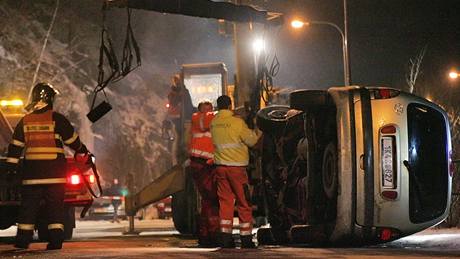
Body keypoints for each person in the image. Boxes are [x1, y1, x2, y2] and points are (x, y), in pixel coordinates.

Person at [6, 82, 91, 250]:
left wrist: (11, 169)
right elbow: (73, 141)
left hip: (32, 176)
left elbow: (15, 147)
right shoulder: (57, 119)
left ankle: (23, 240)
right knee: (55, 209)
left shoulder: (26, 121)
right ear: (50, 99)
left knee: (28, 209)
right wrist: (83, 150)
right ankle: (56, 240)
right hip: (55, 176)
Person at [210, 95, 261, 248]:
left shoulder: (214, 123)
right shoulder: (237, 123)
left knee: (225, 203)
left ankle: (226, 238)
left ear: (218, 106)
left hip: (220, 168)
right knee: (244, 202)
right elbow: (252, 141)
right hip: (237, 168)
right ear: (230, 105)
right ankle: (245, 238)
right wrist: (257, 130)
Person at [188, 100, 219, 247]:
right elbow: (207, 120)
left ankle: (207, 234)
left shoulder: (207, 121)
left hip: (205, 164)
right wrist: (226, 113)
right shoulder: (198, 118)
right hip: (201, 164)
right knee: (211, 198)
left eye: (211, 109)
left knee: (208, 200)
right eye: (206, 110)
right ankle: (210, 234)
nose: (209, 112)